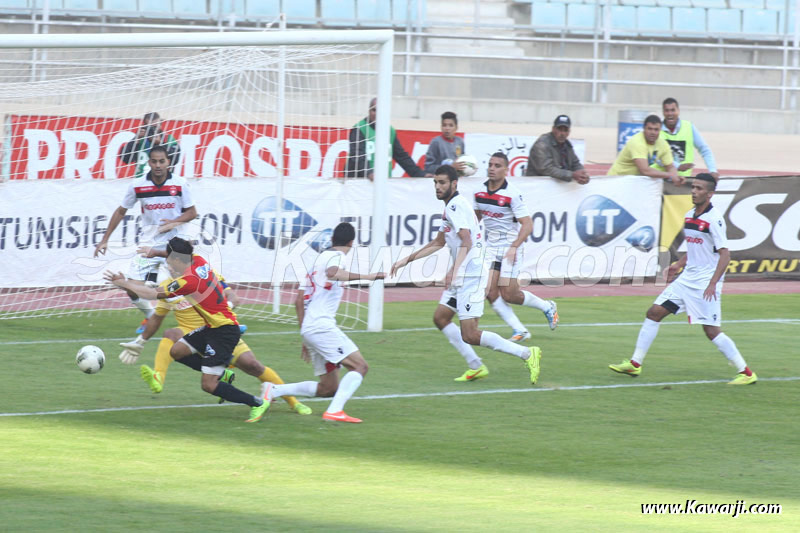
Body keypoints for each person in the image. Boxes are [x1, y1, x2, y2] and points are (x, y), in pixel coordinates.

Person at [391, 165, 542, 384]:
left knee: (470, 334)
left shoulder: (456, 206)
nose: (438, 186)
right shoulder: (450, 207)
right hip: (463, 276)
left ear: (454, 184)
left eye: (442, 182)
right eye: (435, 182)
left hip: (471, 276)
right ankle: (475, 365)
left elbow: (467, 240)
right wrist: (406, 260)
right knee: (441, 317)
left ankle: (527, 354)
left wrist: (453, 270)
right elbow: (438, 242)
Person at [104, 237, 274, 423]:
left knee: (208, 385)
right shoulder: (198, 261)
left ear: (177, 259)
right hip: (211, 327)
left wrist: (124, 284)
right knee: (177, 350)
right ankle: (224, 373)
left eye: (169, 258)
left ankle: (256, 403)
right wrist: (156, 252)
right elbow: (178, 257)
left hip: (223, 332)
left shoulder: (188, 281)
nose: (167, 262)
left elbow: (152, 294)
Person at [608, 174, 756, 385]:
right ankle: (635, 363)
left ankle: (746, 373)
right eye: (693, 187)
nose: (694, 191)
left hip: (704, 283)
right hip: (687, 279)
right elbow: (697, 248)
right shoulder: (689, 216)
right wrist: (679, 264)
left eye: (699, 188)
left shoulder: (714, 220)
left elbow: (725, 254)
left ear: (710, 193)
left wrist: (713, 283)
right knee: (654, 312)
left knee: (711, 331)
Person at [117, 266, 312, 415]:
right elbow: (156, 318)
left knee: (252, 365)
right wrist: (141, 341)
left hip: (219, 331)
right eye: (170, 264)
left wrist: (226, 306)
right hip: (191, 334)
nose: (173, 267)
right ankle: (159, 377)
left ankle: (293, 401)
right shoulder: (168, 288)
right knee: (171, 336)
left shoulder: (207, 276)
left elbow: (233, 297)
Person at [259, 223, 386, 423]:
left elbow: (299, 300)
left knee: (328, 388)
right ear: (352, 242)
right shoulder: (337, 258)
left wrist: (305, 335)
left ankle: (273, 390)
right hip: (321, 326)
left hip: (311, 328)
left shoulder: (316, 262)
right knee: (360, 366)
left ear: (333, 238)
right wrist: (368, 276)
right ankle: (334, 411)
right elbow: (333, 272)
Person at [95, 144, 197, 335]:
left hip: (177, 242)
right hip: (150, 242)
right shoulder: (137, 185)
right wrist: (105, 239)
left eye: (162, 161)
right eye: (154, 161)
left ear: (169, 162)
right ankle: (150, 315)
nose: (158, 165)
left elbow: (192, 213)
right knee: (132, 288)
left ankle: (218, 322)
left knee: (190, 287)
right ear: (148, 162)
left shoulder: (180, 184)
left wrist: (173, 223)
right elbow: (120, 211)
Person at [475, 152, 559, 344]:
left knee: (509, 294)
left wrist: (514, 247)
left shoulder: (512, 194)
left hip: (510, 248)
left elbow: (528, 225)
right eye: (490, 164)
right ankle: (519, 330)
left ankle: (547, 306)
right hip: (491, 248)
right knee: (489, 292)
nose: (492, 168)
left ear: (506, 170)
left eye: (497, 165)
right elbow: (475, 219)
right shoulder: (478, 192)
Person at [345, 97, 425, 180]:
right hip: (359, 182)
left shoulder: (390, 131)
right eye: (374, 110)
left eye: (380, 110)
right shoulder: (359, 129)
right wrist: (369, 173)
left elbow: (402, 157)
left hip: (383, 181)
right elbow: (357, 155)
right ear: (369, 111)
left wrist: (420, 174)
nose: (376, 113)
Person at [608, 115, 684, 185]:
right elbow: (644, 170)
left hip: (633, 182)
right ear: (644, 129)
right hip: (616, 179)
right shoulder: (637, 142)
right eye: (649, 129)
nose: (652, 132)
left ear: (660, 130)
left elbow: (670, 167)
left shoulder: (663, 144)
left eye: (656, 130)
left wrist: (676, 177)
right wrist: (669, 175)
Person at [656, 97, 720, 180]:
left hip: (684, 181)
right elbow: (657, 157)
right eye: (667, 110)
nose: (670, 113)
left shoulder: (689, 127)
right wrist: (677, 166)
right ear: (663, 112)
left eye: (673, 110)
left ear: (678, 111)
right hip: (660, 180)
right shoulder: (656, 129)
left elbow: (704, 149)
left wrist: (712, 170)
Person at [526, 115, 590, 184]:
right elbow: (546, 169)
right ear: (553, 129)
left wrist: (582, 174)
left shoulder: (567, 145)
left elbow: (575, 163)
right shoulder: (542, 144)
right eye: (560, 129)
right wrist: (572, 175)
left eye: (565, 130)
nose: (562, 133)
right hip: (537, 185)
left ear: (569, 131)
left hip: (557, 186)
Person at [119, 111, 181, 179]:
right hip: (142, 181)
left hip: (164, 181)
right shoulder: (140, 140)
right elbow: (125, 159)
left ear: (160, 125)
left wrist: (161, 144)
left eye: (155, 126)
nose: (153, 129)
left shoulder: (168, 139)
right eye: (150, 127)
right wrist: (135, 140)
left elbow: (175, 160)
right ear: (144, 126)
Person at [424, 111, 466, 177]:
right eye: (444, 125)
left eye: (451, 125)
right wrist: (449, 167)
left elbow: (462, 161)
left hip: (456, 180)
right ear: (441, 127)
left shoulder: (460, 141)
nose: (447, 128)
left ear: (456, 127)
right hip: (441, 181)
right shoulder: (436, 142)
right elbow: (428, 167)